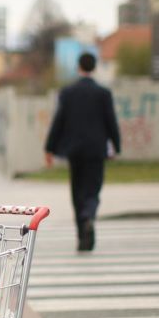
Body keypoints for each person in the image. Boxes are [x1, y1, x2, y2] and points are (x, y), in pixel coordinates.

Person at [44, 52, 121, 251]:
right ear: (94, 68)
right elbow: (111, 122)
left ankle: (82, 237)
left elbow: (58, 121)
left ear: (79, 67)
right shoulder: (103, 93)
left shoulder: (68, 93)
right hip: (96, 150)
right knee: (93, 191)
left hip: (75, 150)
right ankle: (89, 216)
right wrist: (116, 146)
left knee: (77, 192)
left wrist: (50, 148)